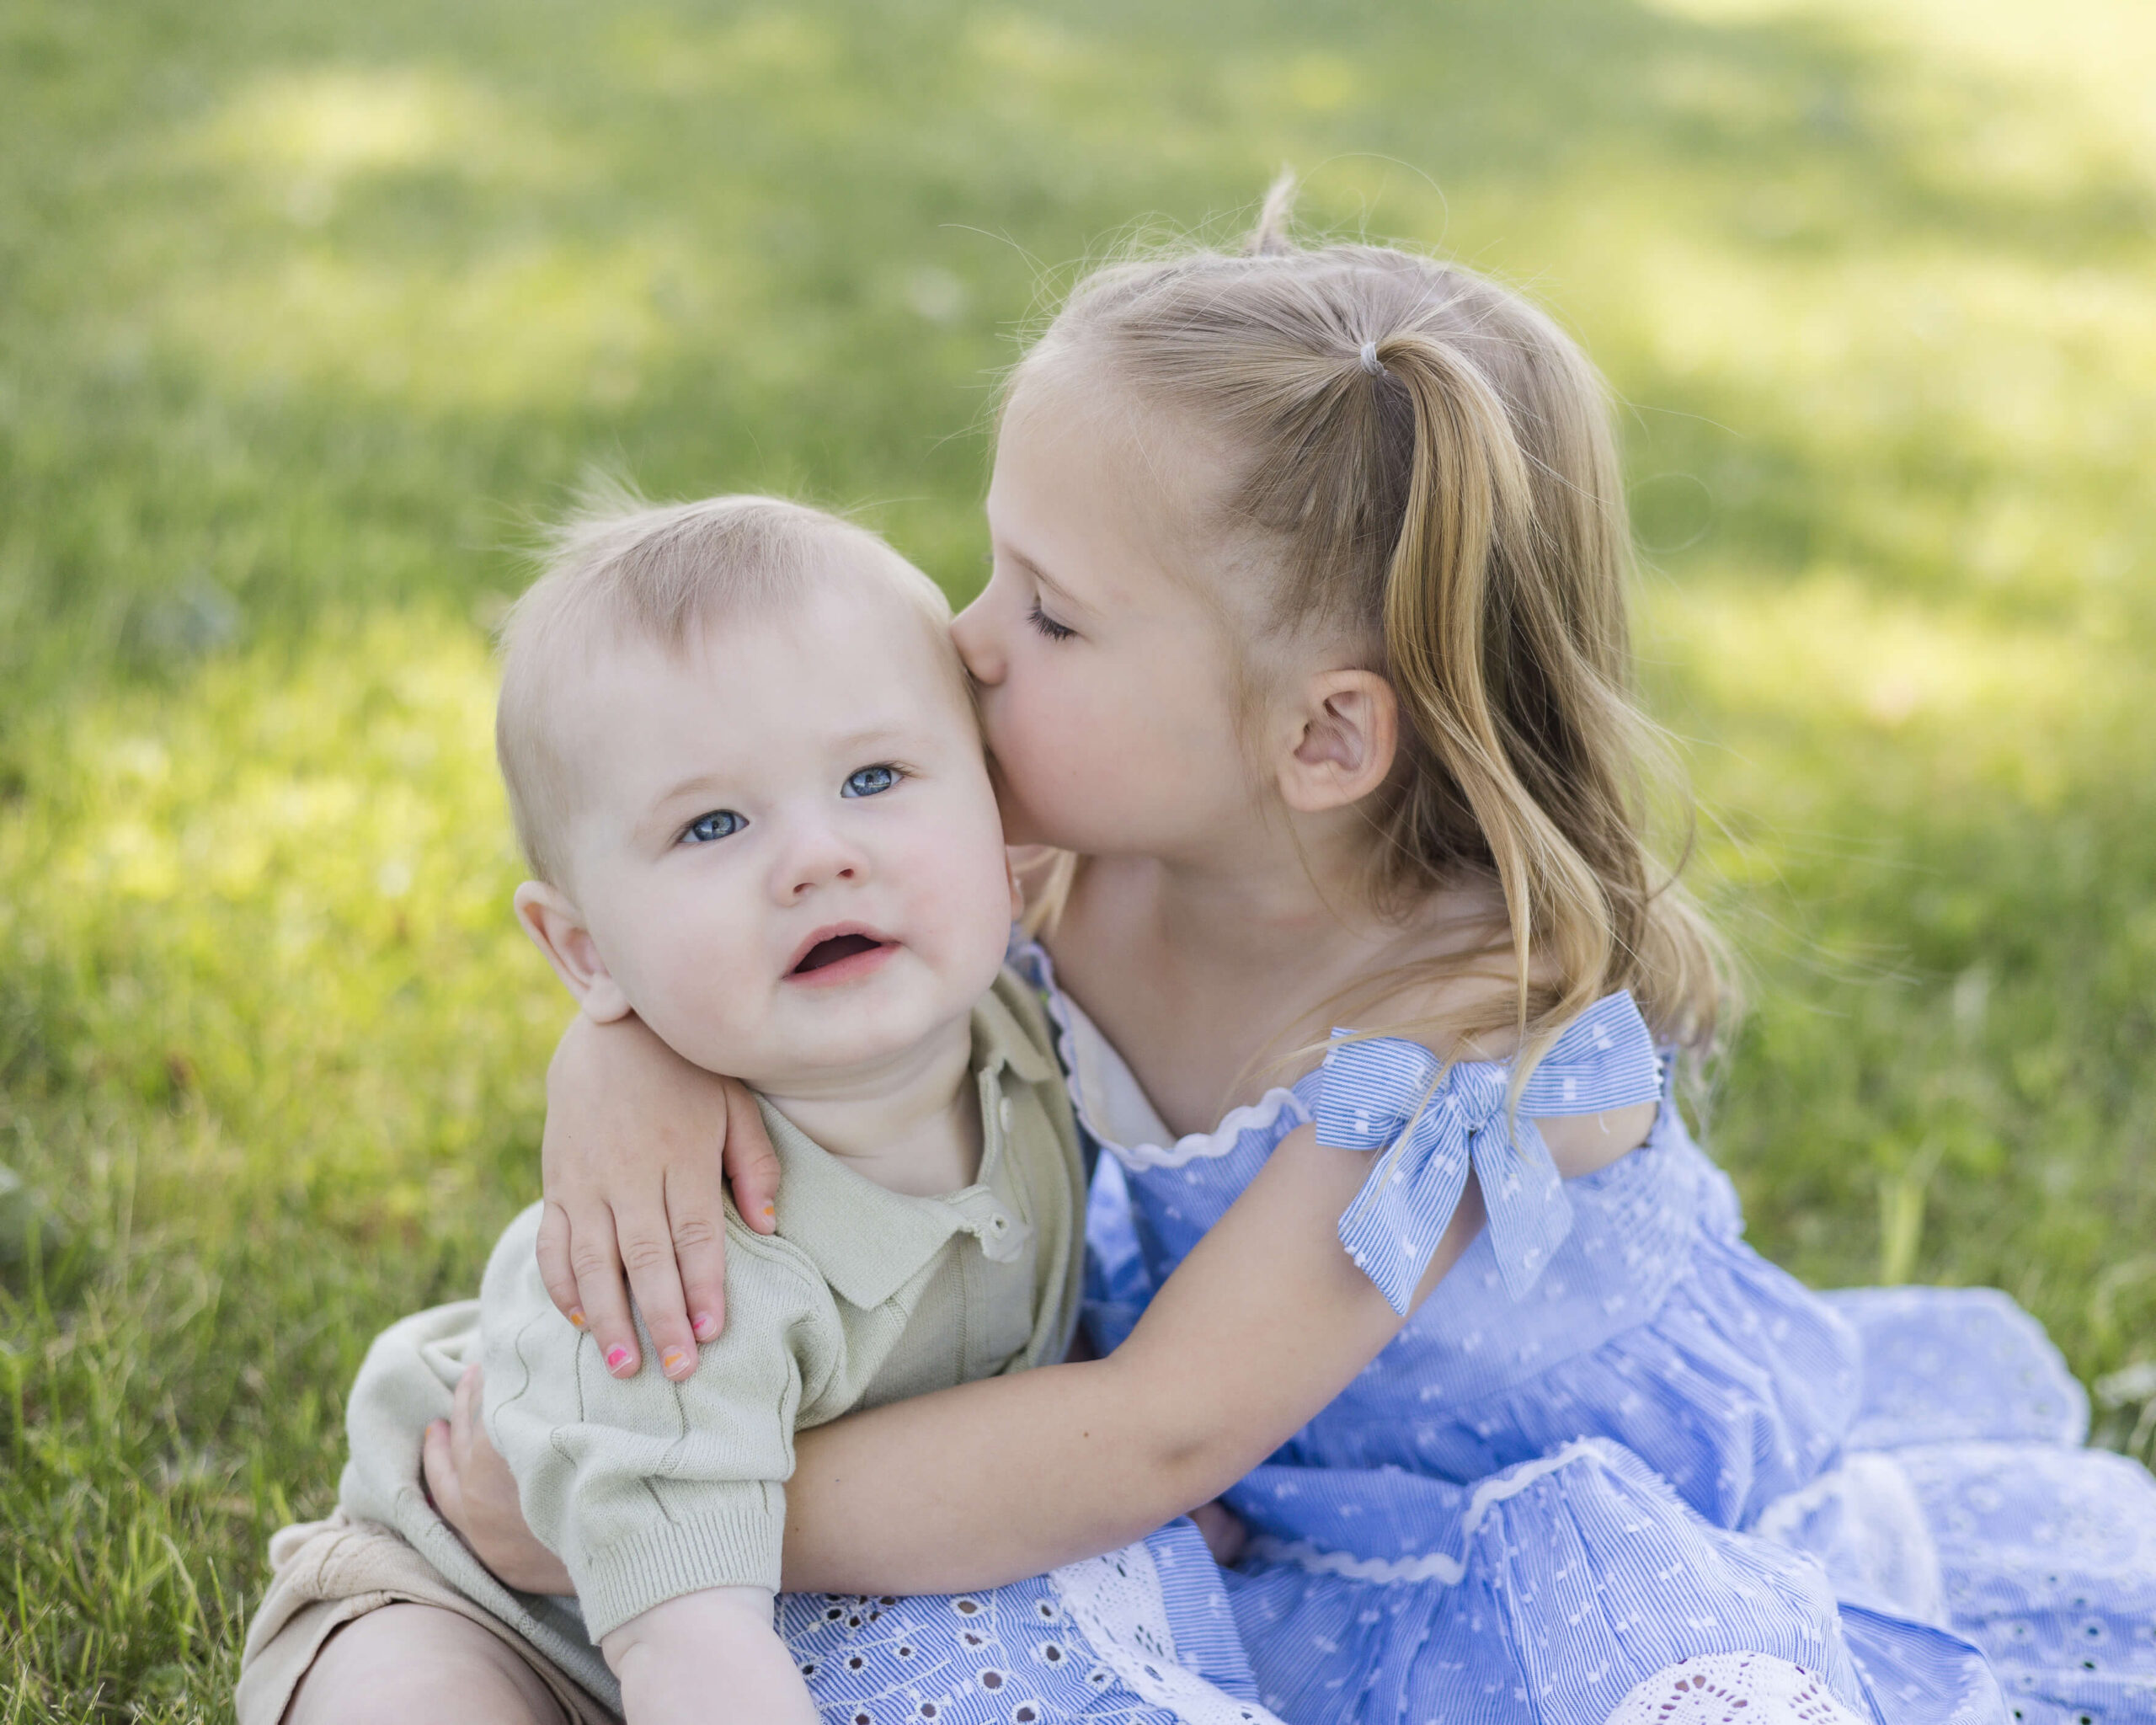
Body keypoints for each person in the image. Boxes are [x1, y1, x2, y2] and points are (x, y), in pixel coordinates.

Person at [465, 190, 2156, 1722]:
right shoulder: (1058, 859)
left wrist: (651, 1513)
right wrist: (621, 1051)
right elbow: (796, 942)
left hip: (1508, 1542)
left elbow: (1160, 1430)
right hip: (1223, 1501)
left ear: (1323, 738)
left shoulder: (1463, 1044)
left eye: (1046, 612)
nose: (964, 644)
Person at [234, 495, 1278, 1725]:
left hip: (794, 1612)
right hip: (493, 1598)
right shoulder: (680, 1273)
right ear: (585, 951)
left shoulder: (1031, 1031)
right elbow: (694, 1657)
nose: (818, 856)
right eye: (713, 823)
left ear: (1007, 830)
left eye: (875, 776)